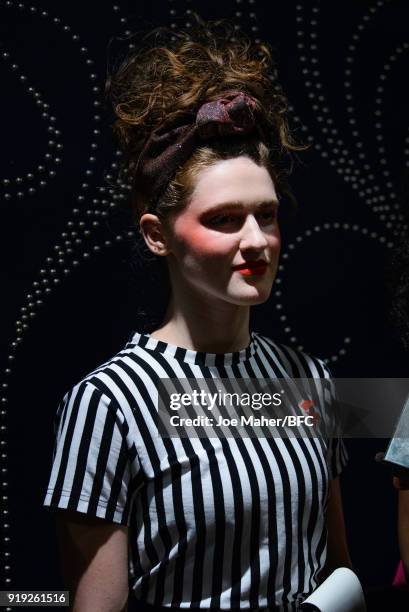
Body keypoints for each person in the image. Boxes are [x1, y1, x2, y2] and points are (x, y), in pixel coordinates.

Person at [43, 14, 351, 612]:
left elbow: (337, 572)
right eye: (223, 219)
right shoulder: (109, 405)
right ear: (158, 235)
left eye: (267, 214)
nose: (256, 240)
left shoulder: (308, 380)